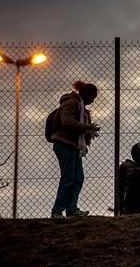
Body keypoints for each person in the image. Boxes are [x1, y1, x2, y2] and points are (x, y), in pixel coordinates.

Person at [50, 81, 100, 218]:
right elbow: (67, 121)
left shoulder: (80, 106)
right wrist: (86, 127)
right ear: (87, 94)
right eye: (93, 98)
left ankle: (71, 209)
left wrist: (89, 131)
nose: (93, 101)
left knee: (78, 178)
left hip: (73, 146)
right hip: (65, 144)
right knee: (68, 178)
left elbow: (76, 124)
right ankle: (57, 210)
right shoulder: (71, 103)